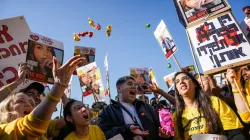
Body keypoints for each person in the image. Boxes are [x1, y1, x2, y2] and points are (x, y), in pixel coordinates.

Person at [0, 55, 84, 139]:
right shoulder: (3, 130)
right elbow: (33, 122)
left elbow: (72, 117)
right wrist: (19, 80)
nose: (29, 104)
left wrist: (61, 86)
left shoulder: (46, 127)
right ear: (6, 107)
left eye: (31, 102)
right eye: (21, 100)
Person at [173, 72, 245, 140]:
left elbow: (234, 133)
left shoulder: (214, 102)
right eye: (177, 81)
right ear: (177, 91)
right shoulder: (177, 116)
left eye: (185, 78)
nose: (181, 82)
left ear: (195, 84)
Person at [98, 76, 169, 140]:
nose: (134, 87)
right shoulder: (108, 111)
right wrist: (127, 130)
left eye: (135, 85)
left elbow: (159, 127)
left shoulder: (146, 106)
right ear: (119, 88)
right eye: (129, 84)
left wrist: (163, 134)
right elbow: (103, 135)